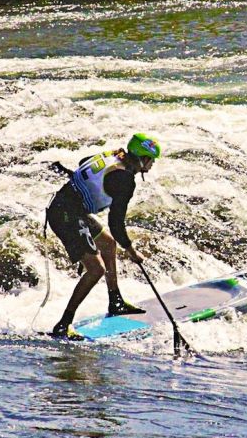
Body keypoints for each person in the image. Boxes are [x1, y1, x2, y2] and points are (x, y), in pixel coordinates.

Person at [46, 133, 161, 338]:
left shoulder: (114, 154)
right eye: (151, 160)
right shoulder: (124, 179)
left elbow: (84, 162)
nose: (152, 165)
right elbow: (116, 224)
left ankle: (115, 301)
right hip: (65, 215)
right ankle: (64, 324)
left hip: (70, 207)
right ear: (143, 159)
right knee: (96, 269)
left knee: (107, 244)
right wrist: (132, 252)